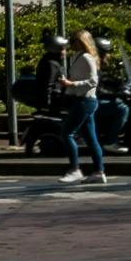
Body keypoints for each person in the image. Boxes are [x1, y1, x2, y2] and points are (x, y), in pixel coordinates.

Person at [51, 31, 107, 184]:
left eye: (73, 41)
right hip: (80, 99)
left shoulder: (88, 58)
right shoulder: (75, 57)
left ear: (82, 42)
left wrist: (71, 84)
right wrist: (67, 85)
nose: (70, 44)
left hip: (86, 100)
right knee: (90, 138)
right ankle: (98, 171)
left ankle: (75, 169)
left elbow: (93, 81)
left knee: (66, 133)